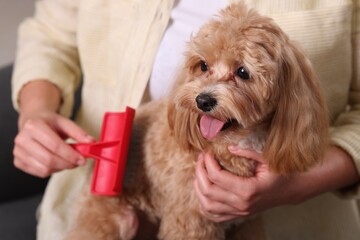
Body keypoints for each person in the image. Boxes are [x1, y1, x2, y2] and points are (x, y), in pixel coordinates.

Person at [12, 0, 360, 239]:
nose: (207, 92)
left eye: (241, 73)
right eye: (204, 68)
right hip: (101, 195)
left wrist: (299, 184)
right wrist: (36, 110)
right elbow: (51, 34)